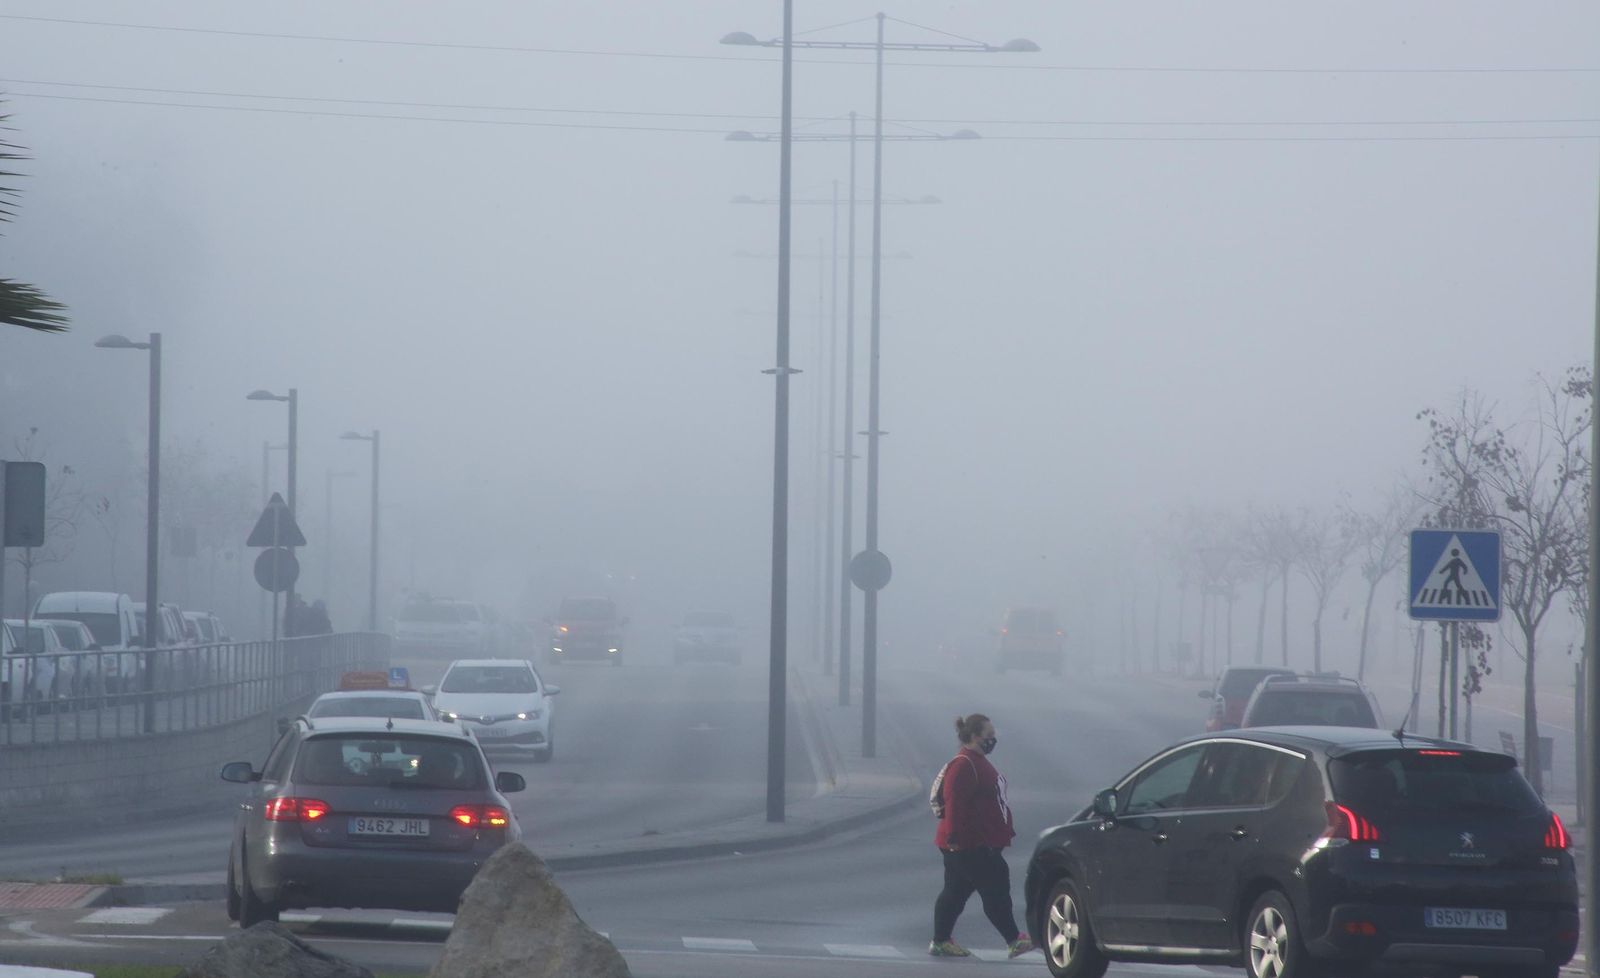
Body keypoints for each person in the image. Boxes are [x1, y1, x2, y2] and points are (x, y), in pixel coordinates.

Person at [929, 713, 1036, 959]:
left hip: (969, 842)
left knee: (955, 892)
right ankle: (1013, 939)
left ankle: (941, 941)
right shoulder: (964, 764)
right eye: (989, 736)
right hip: (968, 843)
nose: (992, 740)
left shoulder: (975, 761)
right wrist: (955, 838)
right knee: (995, 886)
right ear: (975, 736)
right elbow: (955, 802)